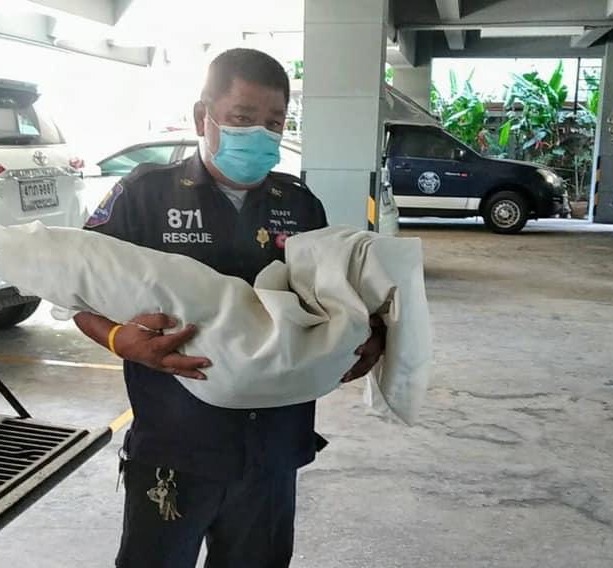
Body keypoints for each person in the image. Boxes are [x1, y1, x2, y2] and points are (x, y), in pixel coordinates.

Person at [74, 48, 385, 568]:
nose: (260, 134)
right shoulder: (145, 195)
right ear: (204, 116)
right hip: (177, 444)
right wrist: (116, 338)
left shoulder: (299, 203)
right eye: (243, 118)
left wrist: (367, 332)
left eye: (274, 122)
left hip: (273, 447)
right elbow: (78, 290)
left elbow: (332, 298)